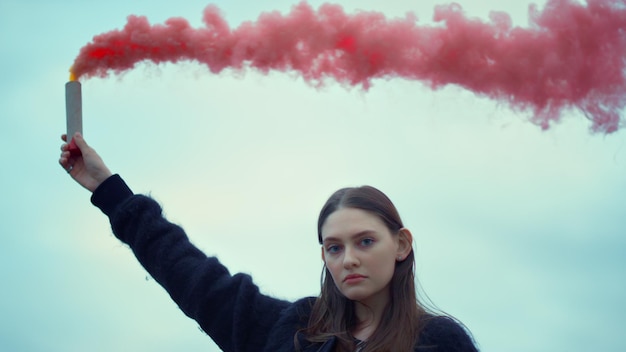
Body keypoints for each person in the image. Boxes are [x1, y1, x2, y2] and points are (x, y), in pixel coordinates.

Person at [59, 132, 478, 352]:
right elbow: (194, 278)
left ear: (401, 244)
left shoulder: (439, 342)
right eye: (334, 247)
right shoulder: (293, 332)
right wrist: (109, 189)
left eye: (365, 241)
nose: (348, 259)